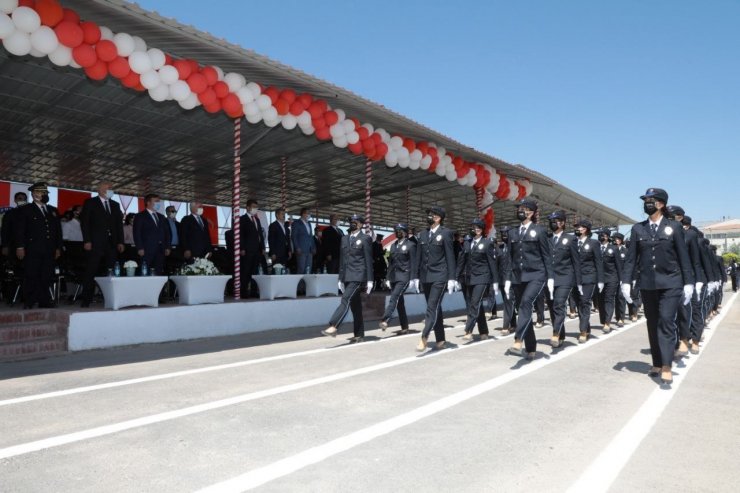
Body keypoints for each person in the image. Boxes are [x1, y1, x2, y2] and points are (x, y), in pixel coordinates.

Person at [621, 188, 695, 385]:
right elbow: (630, 259)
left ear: (661, 204)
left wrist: (688, 283)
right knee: (652, 323)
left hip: (671, 282)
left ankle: (666, 365)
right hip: (647, 284)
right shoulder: (638, 229)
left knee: (665, 321)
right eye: (645, 200)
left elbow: (683, 256)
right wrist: (626, 282)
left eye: (651, 200)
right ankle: (656, 362)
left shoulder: (674, 227)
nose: (647, 204)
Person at [505, 200, 552, 359]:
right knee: (522, 310)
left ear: (531, 213)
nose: (520, 211)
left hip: (536, 275)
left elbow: (546, 255)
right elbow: (509, 258)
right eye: (519, 209)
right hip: (518, 277)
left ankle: (518, 340)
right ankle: (531, 348)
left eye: (523, 209)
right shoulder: (512, 232)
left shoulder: (540, 231)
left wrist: (550, 277)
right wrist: (507, 279)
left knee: (526, 304)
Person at [322, 214, 373, 342]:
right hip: (347, 276)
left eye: (355, 221)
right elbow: (342, 260)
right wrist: (340, 278)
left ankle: (334, 325)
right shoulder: (344, 239)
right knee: (355, 306)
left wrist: (370, 280)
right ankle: (359, 334)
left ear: (361, 224)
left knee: (345, 299)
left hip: (358, 276)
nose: (353, 223)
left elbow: (368, 260)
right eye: (351, 221)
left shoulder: (365, 238)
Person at [665, 206, 706, 359]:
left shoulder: (690, 235)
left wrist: (698, 281)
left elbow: (696, 260)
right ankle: (679, 341)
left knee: (692, 310)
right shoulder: (665, 233)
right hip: (672, 278)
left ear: (680, 217)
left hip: (690, 278)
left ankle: (693, 340)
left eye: (671, 216)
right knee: (673, 313)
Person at [414, 206, 456, 351]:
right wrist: (415, 276)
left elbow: (450, 256)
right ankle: (440, 339)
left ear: (439, 218)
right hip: (426, 276)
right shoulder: (423, 234)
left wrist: (452, 278)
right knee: (435, 307)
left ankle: (424, 338)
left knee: (431, 307)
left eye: (432, 214)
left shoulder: (446, 233)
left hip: (440, 275)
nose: (429, 216)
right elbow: (418, 257)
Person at [14, 183, 62, 308]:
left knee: (46, 275)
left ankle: (43, 301)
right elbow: (20, 230)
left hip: (49, 249)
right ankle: (29, 301)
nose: (39, 194)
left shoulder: (53, 211)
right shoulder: (26, 209)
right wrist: (20, 247)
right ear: (33, 194)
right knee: (32, 274)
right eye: (36, 192)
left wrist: (58, 247)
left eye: (42, 192)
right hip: (32, 248)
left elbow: (58, 231)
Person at [457, 218, 506, 341]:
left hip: (482, 277)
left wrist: (495, 281)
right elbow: (462, 261)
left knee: (474, 303)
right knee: (475, 305)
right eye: (474, 227)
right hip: (469, 278)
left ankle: (468, 330)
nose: (476, 229)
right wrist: (455, 277)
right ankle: (484, 331)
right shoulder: (467, 243)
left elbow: (492, 263)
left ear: (482, 229)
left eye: (478, 227)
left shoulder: (487, 243)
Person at [79, 183, 124, 307]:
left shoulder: (115, 205)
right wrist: (87, 240)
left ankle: (111, 299)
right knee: (91, 270)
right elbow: (85, 223)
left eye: (110, 189)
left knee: (111, 272)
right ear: (99, 190)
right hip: (95, 243)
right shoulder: (90, 202)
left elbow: (119, 225)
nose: (108, 191)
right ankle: (86, 300)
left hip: (112, 243)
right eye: (105, 189)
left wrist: (120, 241)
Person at [546, 211, 582, 348]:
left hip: (565, 277)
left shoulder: (571, 239)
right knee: (551, 306)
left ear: (563, 222)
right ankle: (561, 334)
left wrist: (578, 282)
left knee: (559, 304)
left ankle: (555, 333)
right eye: (551, 220)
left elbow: (576, 262)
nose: (553, 223)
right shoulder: (547, 239)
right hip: (549, 278)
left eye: (556, 220)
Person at [379, 223, 417, 334]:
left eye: (400, 230)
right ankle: (405, 327)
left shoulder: (411, 245)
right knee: (399, 302)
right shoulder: (393, 245)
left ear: (405, 232)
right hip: (394, 277)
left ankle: (385, 319)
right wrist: (388, 278)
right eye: (396, 231)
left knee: (394, 297)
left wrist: (413, 278)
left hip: (405, 276)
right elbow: (390, 263)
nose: (397, 233)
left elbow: (414, 263)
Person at [573, 218, 604, 343]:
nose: (577, 229)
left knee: (585, 302)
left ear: (585, 229)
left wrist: (600, 280)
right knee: (579, 303)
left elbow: (598, 262)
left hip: (589, 277)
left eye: (579, 227)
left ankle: (583, 331)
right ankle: (587, 327)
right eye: (577, 227)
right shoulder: (573, 242)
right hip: (575, 278)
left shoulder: (593, 243)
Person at [133, 193, 171, 275]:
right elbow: (137, 233)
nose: (158, 203)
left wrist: (167, 247)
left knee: (158, 272)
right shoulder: (140, 216)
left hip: (160, 250)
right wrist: (139, 247)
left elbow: (167, 233)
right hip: (146, 250)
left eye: (159, 201)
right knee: (145, 272)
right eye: (156, 201)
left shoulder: (161, 217)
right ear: (148, 202)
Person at [596, 230, 623, 333]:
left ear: (607, 237)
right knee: (601, 300)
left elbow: (619, 265)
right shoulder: (596, 248)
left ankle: (607, 322)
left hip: (612, 278)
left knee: (609, 299)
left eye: (601, 235)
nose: (599, 236)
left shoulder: (614, 248)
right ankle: (603, 320)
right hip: (599, 279)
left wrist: (621, 280)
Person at [238, 199, 265, 296]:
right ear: (247, 207)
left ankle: (254, 291)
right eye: (253, 207)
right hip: (247, 250)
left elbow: (260, 235)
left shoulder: (257, 219)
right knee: (246, 271)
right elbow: (240, 235)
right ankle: (243, 291)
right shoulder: (242, 219)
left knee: (255, 271)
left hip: (257, 250)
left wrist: (263, 247)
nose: (255, 209)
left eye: (256, 207)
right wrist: (242, 248)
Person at [497, 226, 517, 331]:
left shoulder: (514, 247)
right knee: (508, 301)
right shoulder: (499, 248)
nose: (504, 235)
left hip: (511, 279)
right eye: (502, 233)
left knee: (508, 302)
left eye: (506, 233)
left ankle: (506, 326)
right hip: (501, 280)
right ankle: (513, 324)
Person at [292, 207, 315, 275]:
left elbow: (311, 236)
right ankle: (300, 285)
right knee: (301, 268)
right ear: (303, 214)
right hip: (301, 250)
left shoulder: (309, 224)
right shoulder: (296, 223)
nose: (309, 215)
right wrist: (297, 247)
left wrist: (313, 247)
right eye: (307, 213)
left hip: (309, 250)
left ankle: (307, 285)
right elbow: (294, 236)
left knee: (308, 269)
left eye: (309, 213)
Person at [612, 233, 628, 326]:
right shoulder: (611, 249)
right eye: (615, 239)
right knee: (615, 298)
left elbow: (627, 265)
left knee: (621, 297)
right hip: (613, 276)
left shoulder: (625, 251)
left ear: (621, 240)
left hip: (623, 277)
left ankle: (621, 318)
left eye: (618, 239)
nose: (617, 240)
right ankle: (617, 316)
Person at [164, 205, 183, 274]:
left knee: (177, 268)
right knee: (168, 268)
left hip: (177, 249)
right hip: (168, 248)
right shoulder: (163, 222)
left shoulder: (178, 224)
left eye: (175, 211)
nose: (174, 212)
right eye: (172, 211)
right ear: (167, 212)